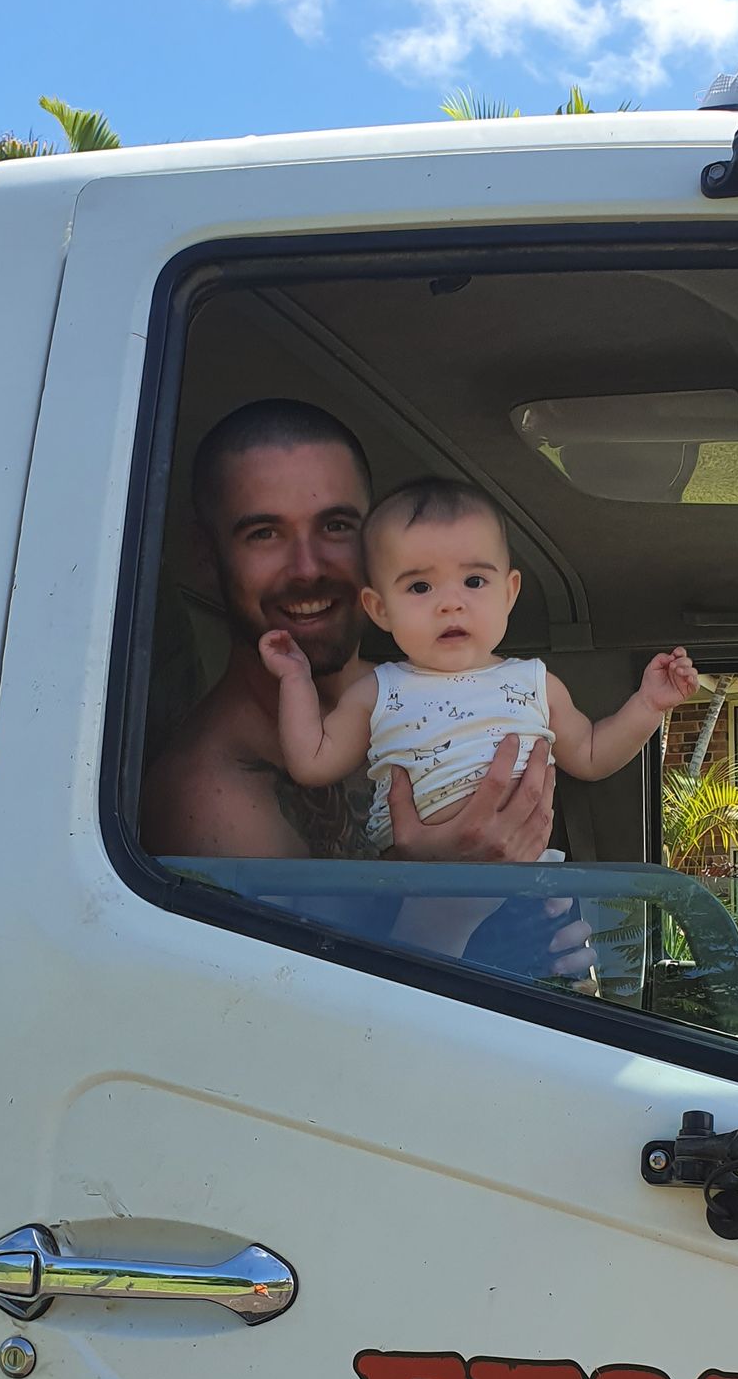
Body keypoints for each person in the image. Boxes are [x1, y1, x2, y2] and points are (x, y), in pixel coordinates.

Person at [139, 402, 588, 973]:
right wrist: (449, 907)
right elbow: (299, 1027)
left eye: (336, 527)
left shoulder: (420, 697)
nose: (308, 568)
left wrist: (550, 948)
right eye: (264, 533)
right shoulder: (210, 798)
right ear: (208, 557)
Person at [260, 476, 697, 851]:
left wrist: (648, 706)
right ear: (379, 609)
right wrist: (295, 678)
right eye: (419, 587)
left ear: (508, 593)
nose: (451, 604)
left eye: (474, 581)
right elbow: (312, 762)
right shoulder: (379, 689)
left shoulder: (534, 682)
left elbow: (591, 754)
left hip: (523, 880)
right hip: (410, 887)